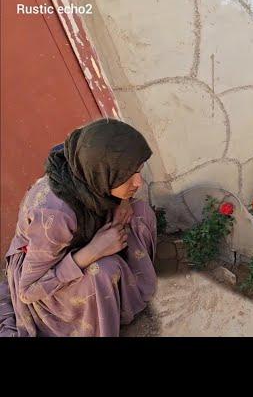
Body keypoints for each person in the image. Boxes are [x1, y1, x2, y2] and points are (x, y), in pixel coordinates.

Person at [0, 118, 157, 337]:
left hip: (76, 241)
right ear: (103, 174)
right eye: (128, 176)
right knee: (103, 270)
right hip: (45, 285)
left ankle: (119, 304)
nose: (139, 182)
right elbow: (29, 291)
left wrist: (124, 201)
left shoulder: (84, 164)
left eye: (138, 170)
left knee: (140, 215)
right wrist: (93, 251)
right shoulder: (54, 215)